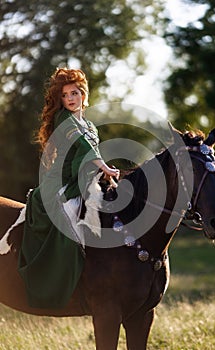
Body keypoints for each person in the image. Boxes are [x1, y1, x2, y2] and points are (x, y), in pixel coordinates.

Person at [18, 68, 119, 309]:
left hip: (84, 183)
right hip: (60, 185)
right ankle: (59, 283)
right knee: (72, 222)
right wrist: (103, 165)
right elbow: (83, 147)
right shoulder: (64, 119)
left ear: (83, 95)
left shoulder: (91, 125)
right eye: (64, 95)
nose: (70, 99)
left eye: (74, 93)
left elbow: (91, 154)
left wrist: (105, 171)